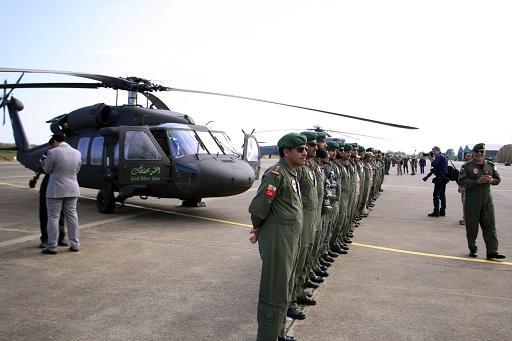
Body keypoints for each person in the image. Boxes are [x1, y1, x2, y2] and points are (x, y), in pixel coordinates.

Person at [248, 132, 307, 341]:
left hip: (289, 238)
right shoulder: (276, 174)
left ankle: (278, 333)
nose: (305, 153)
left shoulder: (291, 173)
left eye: (305, 149)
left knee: (284, 288)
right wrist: (257, 227)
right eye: (300, 150)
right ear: (286, 152)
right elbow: (258, 207)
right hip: (278, 239)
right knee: (274, 291)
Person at [458, 143, 506, 260]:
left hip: (487, 202)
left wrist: (491, 181)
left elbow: (498, 180)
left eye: (482, 151)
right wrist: (477, 181)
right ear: (474, 153)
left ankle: (492, 252)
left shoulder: (490, 165)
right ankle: (472, 249)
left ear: (484, 153)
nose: (480, 153)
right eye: (477, 151)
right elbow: (461, 181)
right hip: (472, 202)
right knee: (472, 228)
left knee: (490, 226)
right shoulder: (467, 166)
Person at [41, 134, 82, 255]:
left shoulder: (52, 152)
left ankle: (52, 246)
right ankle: (75, 244)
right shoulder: (77, 153)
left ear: (54, 141)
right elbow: (77, 170)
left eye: (52, 144)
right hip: (72, 188)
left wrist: (43, 163)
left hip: (56, 190)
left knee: (53, 217)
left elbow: (47, 170)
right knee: (72, 217)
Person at [425, 146, 448, 217]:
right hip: (444, 178)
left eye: (434, 151)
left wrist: (430, 157)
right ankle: (442, 211)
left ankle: (436, 211)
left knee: (436, 195)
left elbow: (433, 164)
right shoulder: (444, 156)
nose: (433, 153)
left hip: (440, 178)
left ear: (438, 150)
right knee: (442, 195)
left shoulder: (439, 157)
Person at [457, 151, 473, 225]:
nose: (466, 157)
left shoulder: (474, 166)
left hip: (470, 188)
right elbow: (460, 177)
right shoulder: (463, 165)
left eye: (468, 156)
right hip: (463, 187)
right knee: (464, 203)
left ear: (472, 157)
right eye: (466, 156)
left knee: (467, 204)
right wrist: (459, 186)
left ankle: (466, 219)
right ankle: (465, 218)